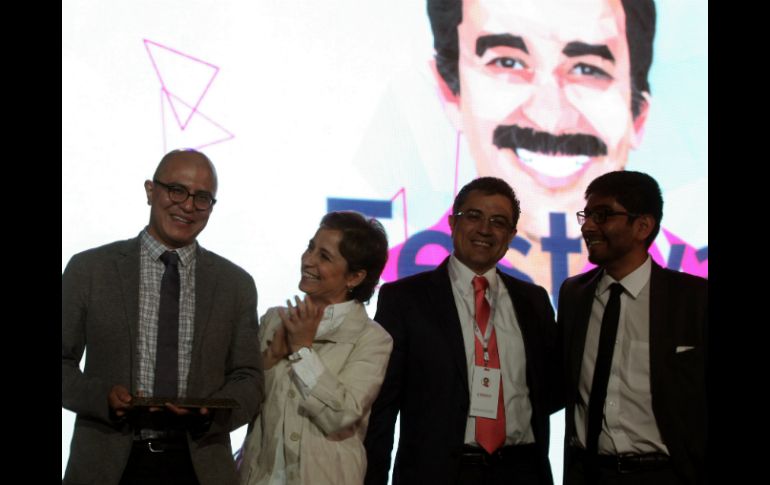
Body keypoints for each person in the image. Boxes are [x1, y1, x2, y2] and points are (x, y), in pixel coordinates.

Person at [380, 0, 706, 301]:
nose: (550, 116)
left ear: (638, 115)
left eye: (587, 69)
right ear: (450, 94)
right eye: (507, 62)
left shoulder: (696, 292)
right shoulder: (388, 287)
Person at [62, 149, 264, 485]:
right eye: (176, 190)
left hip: (200, 466)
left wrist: (212, 414)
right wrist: (102, 398)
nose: (187, 205)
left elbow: (249, 379)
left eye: (202, 198)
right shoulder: (89, 270)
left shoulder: (235, 284)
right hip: (106, 465)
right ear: (150, 191)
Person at [365, 177, 562, 485]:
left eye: (498, 222)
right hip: (437, 472)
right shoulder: (405, 299)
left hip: (521, 470)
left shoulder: (534, 301)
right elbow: (383, 407)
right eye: (473, 216)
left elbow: (551, 389)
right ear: (452, 223)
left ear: (510, 235)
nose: (485, 229)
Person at [557, 170, 707, 484]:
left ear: (643, 226)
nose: (588, 226)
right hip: (587, 473)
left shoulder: (694, 299)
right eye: (586, 215)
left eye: (603, 215)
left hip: (665, 474)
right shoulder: (574, 295)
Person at [239, 211, 393, 485]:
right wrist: (272, 355)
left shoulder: (372, 339)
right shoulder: (275, 319)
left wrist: (302, 351)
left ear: (355, 277)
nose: (308, 260)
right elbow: (244, 400)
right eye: (311, 247)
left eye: (324, 256)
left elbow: (340, 415)